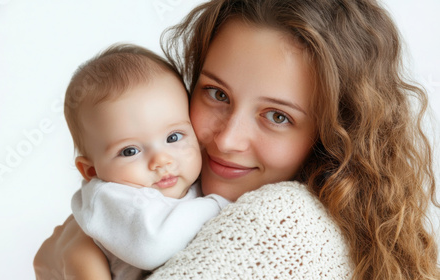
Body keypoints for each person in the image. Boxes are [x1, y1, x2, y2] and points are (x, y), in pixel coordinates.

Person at [34, 0, 440, 279]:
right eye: (217, 94)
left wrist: (73, 264)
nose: (227, 140)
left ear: (336, 135)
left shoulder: (284, 221)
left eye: (278, 116)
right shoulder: (169, 188)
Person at [63, 44, 229, 279]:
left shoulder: (193, 180)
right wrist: (220, 204)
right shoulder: (110, 197)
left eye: (173, 137)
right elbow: (153, 248)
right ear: (91, 170)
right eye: (130, 151)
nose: (161, 160)